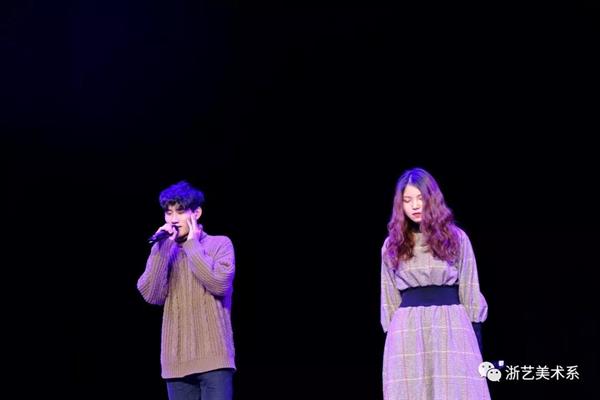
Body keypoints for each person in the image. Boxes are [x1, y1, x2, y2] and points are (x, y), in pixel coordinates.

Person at [380, 168, 490, 399]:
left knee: (458, 390)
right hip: (407, 330)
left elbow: (470, 289)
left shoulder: (456, 239)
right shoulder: (393, 245)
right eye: (407, 200)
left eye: (420, 198)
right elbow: (388, 299)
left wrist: (476, 341)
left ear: (431, 199)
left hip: (452, 326)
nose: (414, 205)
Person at [137, 181, 236, 400]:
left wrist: (192, 245)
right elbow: (152, 295)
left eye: (180, 212)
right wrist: (160, 250)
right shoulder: (164, 250)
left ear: (196, 213)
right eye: (169, 212)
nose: (173, 219)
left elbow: (219, 284)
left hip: (214, 360)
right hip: (176, 364)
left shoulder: (220, 244)